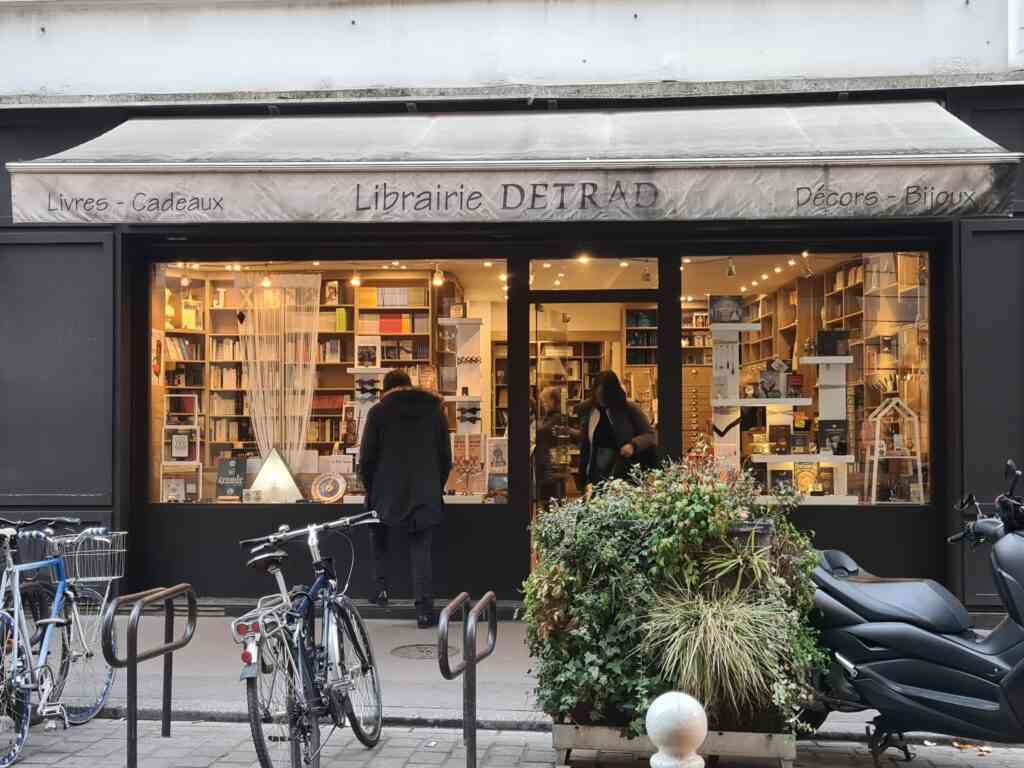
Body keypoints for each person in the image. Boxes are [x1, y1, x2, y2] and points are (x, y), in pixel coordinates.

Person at [359, 369, 452, 628]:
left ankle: (380, 589)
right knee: (421, 549)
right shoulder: (435, 411)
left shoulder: (378, 413)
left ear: (385, 390)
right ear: (409, 386)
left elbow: (367, 458)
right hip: (424, 491)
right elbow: (446, 457)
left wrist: (372, 489)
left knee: (377, 532)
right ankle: (424, 611)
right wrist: (435, 486)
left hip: (385, 491)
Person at [577, 370, 657, 492]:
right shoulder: (588, 410)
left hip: (622, 470)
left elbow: (650, 435)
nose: (600, 399)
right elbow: (586, 443)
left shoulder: (629, 408)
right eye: (597, 395)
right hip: (596, 471)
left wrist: (633, 445)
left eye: (603, 395)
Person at [534, 386, 580, 507]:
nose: (543, 404)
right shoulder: (548, 417)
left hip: (552, 465)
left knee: (553, 500)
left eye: (545, 400)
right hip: (546, 464)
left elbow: (544, 431)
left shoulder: (559, 418)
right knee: (547, 500)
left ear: (554, 401)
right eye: (542, 401)